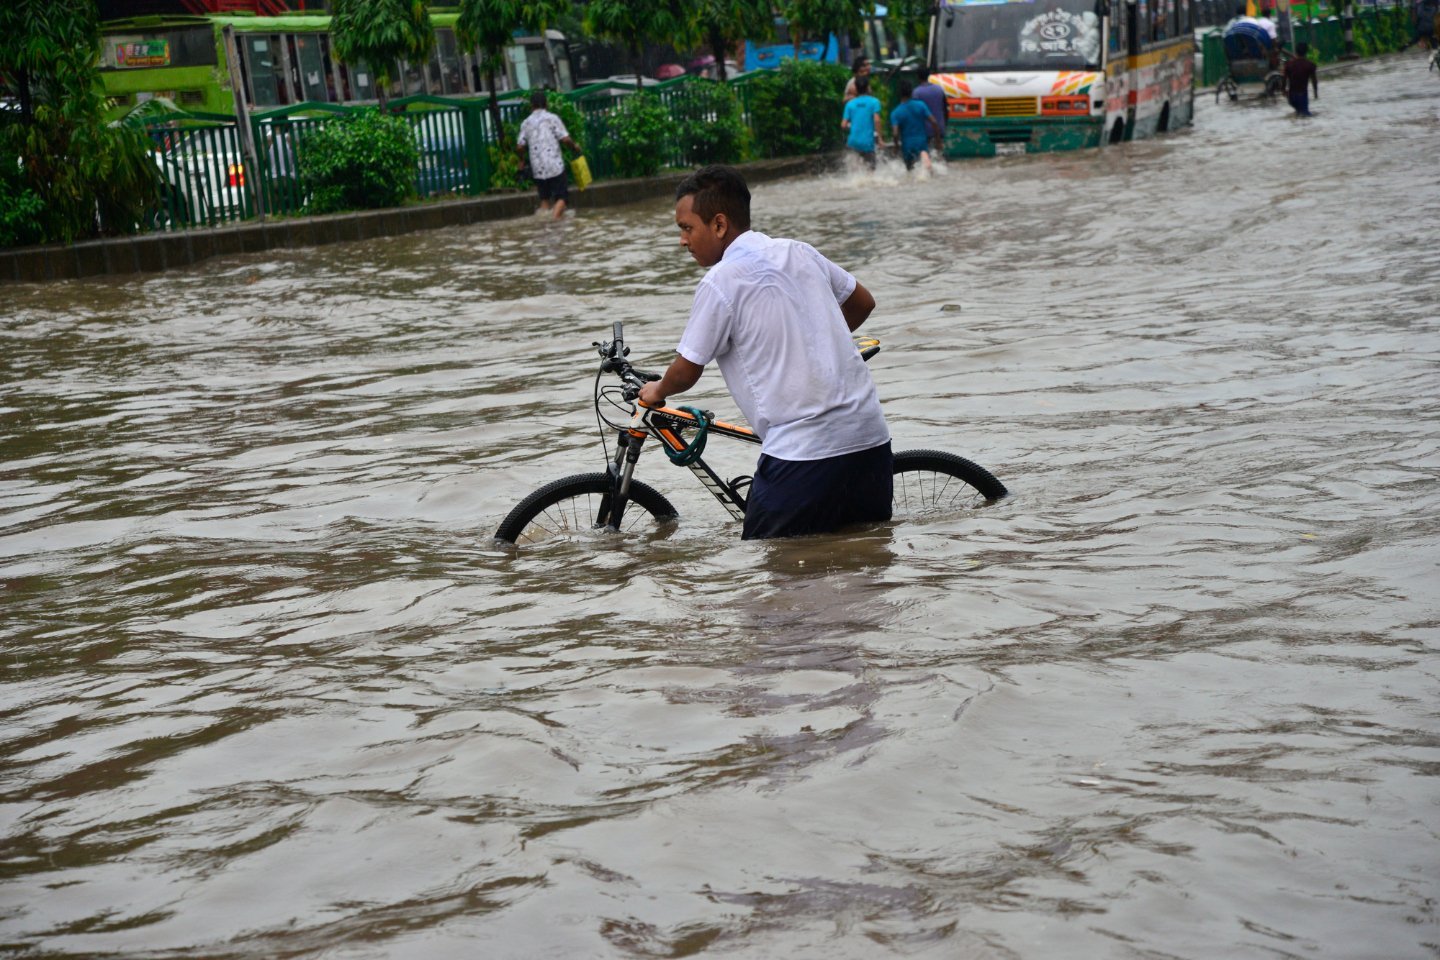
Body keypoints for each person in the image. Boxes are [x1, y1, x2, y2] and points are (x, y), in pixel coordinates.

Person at [637, 165, 892, 541]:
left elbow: (687, 370)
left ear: (719, 225)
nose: (682, 241)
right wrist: (817, 342)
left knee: (770, 585)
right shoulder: (799, 251)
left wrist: (657, 390)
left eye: (687, 228)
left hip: (803, 455)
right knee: (865, 566)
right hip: (870, 440)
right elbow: (862, 303)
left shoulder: (721, 281)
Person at [516, 90, 582, 219]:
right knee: (562, 197)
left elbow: (519, 146)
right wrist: (574, 147)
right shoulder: (552, 118)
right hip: (554, 165)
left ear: (531, 106)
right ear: (546, 104)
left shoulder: (526, 123)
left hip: (537, 168)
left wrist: (522, 160)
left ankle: (543, 223)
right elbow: (565, 139)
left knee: (544, 199)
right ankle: (553, 221)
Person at [889, 81, 939, 172]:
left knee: (910, 173)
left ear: (899, 93)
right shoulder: (921, 105)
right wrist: (938, 140)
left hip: (907, 147)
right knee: (926, 171)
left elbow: (895, 133)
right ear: (911, 92)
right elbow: (934, 122)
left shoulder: (895, 113)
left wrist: (896, 147)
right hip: (922, 144)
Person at [841, 75, 885, 169]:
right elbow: (877, 120)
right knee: (871, 170)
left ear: (856, 88)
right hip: (867, 142)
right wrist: (880, 139)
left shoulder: (850, 104)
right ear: (868, 87)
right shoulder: (874, 102)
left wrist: (854, 127)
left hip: (853, 142)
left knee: (855, 170)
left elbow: (843, 125)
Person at [912, 75, 947, 152]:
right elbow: (945, 109)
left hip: (924, 131)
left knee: (925, 156)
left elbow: (915, 113)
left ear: (918, 77)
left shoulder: (916, 92)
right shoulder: (939, 89)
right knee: (939, 155)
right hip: (940, 128)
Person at [1283, 41, 1318, 116]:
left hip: (1291, 97)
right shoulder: (1310, 65)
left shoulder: (1288, 64)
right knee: (1308, 117)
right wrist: (1315, 93)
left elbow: (1284, 79)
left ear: (1296, 51)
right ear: (1306, 52)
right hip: (1302, 96)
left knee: (1298, 113)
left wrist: (1283, 91)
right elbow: (1314, 81)